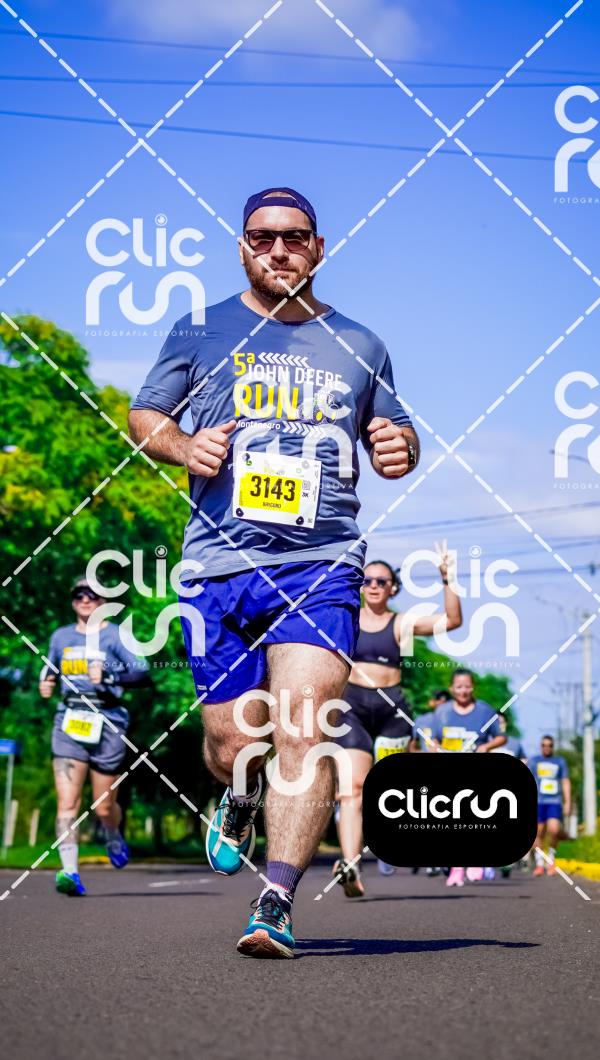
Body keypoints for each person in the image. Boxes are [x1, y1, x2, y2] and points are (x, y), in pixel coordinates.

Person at [128, 187, 420, 958]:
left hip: (320, 562)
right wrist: (182, 446)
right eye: (262, 237)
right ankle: (240, 792)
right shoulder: (199, 329)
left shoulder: (361, 343)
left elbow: (396, 429)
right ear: (242, 247)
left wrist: (401, 447)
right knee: (232, 741)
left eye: (294, 237)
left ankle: (277, 899)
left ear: (318, 247)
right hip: (218, 562)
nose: (279, 249)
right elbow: (145, 415)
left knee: (304, 724)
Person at [333, 546, 462, 897]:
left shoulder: (402, 623)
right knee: (352, 788)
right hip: (353, 707)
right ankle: (350, 865)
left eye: (382, 581)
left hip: (393, 712)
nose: (374, 586)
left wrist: (448, 578)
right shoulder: (346, 618)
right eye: (368, 581)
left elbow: (452, 621)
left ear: (393, 588)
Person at [40, 578, 149, 896]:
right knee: (67, 802)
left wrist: (111, 675)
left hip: (108, 720)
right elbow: (50, 670)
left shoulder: (116, 635)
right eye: (79, 594)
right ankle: (69, 872)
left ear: (103, 601)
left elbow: (142, 674)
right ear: (72, 600)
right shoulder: (61, 637)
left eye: (93, 594)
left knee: (103, 808)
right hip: (69, 722)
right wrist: (46, 683)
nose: (85, 599)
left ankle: (113, 833)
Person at [431, 669, 506, 887]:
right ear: (452, 688)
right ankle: (456, 869)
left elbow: (501, 737)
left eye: (467, 686)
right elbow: (434, 740)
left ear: (473, 687)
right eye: (459, 687)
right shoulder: (442, 712)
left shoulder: (485, 711)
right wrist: (435, 749)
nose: (463, 691)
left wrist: (486, 746)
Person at [528, 735, 571, 877]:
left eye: (550, 745)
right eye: (544, 745)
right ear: (541, 746)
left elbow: (565, 781)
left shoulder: (559, 761)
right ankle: (540, 864)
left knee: (554, 829)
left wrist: (568, 802)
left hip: (554, 801)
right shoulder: (534, 761)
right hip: (538, 801)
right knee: (538, 832)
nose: (547, 747)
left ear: (553, 746)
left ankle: (551, 859)